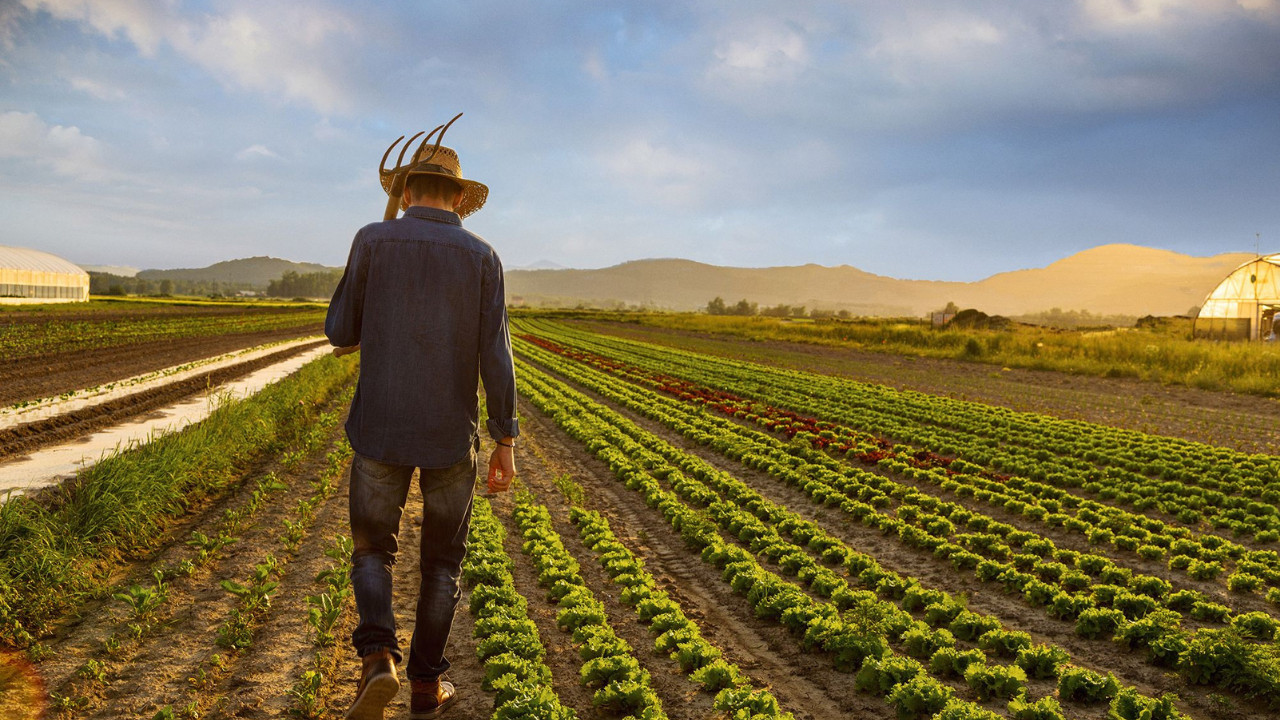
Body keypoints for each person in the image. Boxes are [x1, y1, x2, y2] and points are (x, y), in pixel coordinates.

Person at [325, 124, 518, 719]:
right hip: (448, 438)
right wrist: (505, 439)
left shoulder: (371, 239)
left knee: (372, 551)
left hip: (380, 426)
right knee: (441, 563)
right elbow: (496, 355)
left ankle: (377, 657)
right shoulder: (483, 256)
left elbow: (339, 331)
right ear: (458, 197)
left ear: (406, 191)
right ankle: (426, 688)